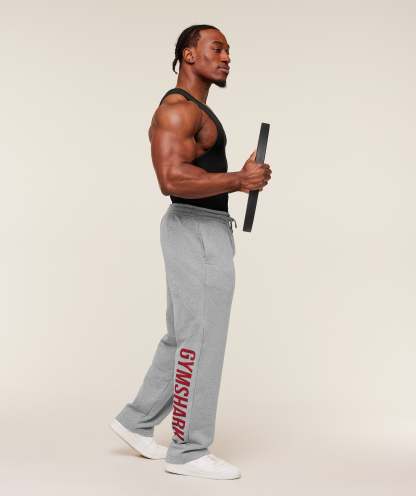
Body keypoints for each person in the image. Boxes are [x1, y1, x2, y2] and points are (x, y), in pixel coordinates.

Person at [110, 24, 272, 480]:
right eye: (216, 48)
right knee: (200, 340)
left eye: (229, 51)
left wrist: (238, 178)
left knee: (183, 335)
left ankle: (136, 421)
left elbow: (196, 172)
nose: (226, 57)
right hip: (195, 229)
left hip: (203, 227)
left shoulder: (196, 111)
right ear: (188, 54)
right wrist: (238, 181)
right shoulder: (177, 109)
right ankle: (188, 450)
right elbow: (171, 179)